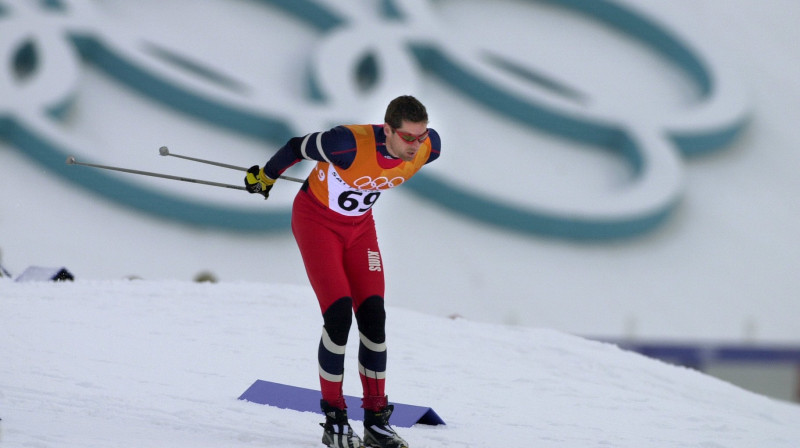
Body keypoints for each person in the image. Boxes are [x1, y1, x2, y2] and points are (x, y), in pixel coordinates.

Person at [245, 95, 441, 448]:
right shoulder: (347, 143)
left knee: (374, 318)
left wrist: (421, 142)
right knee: (338, 317)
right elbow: (296, 147)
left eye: (421, 136)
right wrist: (265, 176)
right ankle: (335, 419)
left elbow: (419, 150)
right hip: (316, 223)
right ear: (387, 131)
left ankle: (376, 421)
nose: (415, 146)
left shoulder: (429, 147)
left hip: (360, 231)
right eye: (408, 138)